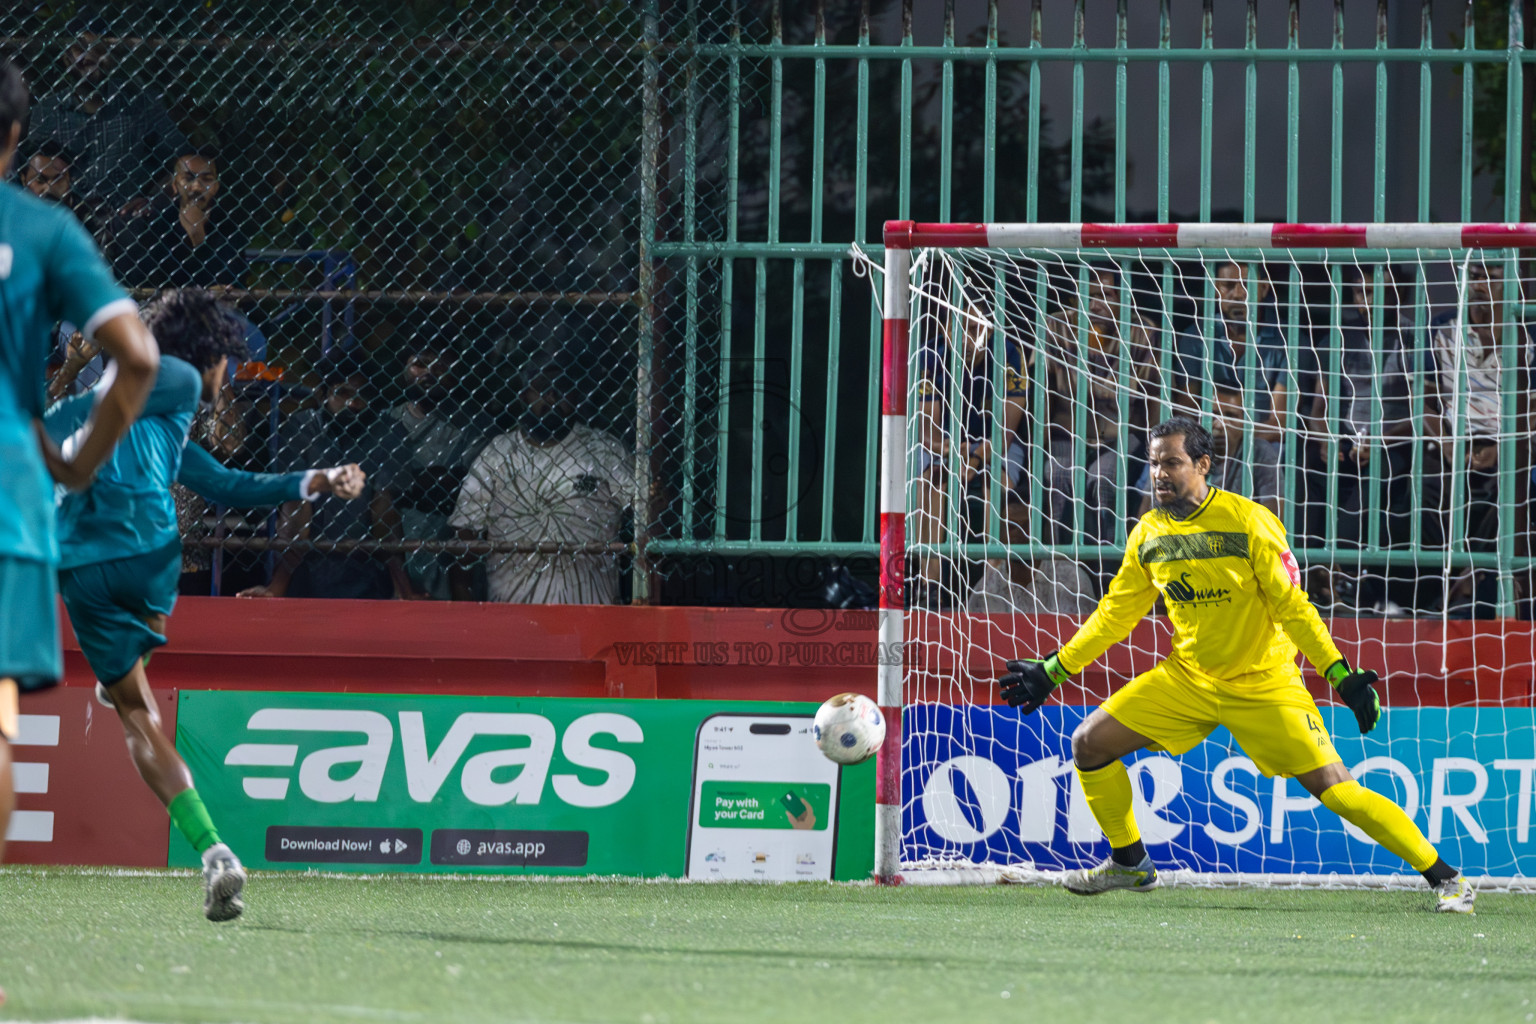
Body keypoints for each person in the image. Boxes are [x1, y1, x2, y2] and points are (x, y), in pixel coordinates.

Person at [996, 416, 1475, 913]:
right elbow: (1116, 615)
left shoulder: (1250, 521)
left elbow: (1294, 607)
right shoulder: (1149, 533)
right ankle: (1131, 862)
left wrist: (1339, 673)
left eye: (1173, 463)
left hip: (1264, 683)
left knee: (1339, 792)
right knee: (1089, 744)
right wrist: (1054, 669)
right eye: (1154, 463)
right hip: (1188, 679)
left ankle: (1447, 879)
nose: (1159, 473)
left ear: (1203, 465)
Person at [43, 289, 365, 921]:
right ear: (208, 353)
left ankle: (124, 671)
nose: (230, 376)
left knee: (136, 716)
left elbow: (226, 483)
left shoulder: (158, 420)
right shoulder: (175, 374)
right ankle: (214, 851)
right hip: (146, 557)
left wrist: (315, 479)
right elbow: (121, 390)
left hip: (81, 564)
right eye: (230, 362)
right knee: (141, 709)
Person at [0, 59, 158, 871]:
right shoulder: (44, 230)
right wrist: (77, 466)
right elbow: (136, 358)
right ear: (18, 137)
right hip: (11, 494)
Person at [450, 358, 631, 604]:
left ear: (576, 396)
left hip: (589, 606)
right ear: (525, 396)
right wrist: (464, 607)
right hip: (513, 610)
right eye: (542, 387)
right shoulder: (499, 453)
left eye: (562, 387)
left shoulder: (603, 449)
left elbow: (645, 509)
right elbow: (466, 529)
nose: (552, 396)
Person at [249, 351, 417, 600]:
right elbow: (296, 507)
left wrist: (402, 587)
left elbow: (384, 510)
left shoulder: (388, 432)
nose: (353, 403)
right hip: (307, 566)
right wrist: (278, 586)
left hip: (368, 567)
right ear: (323, 395)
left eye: (362, 395)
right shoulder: (302, 427)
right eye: (343, 393)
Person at [24, 10, 189, 219]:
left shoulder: (140, 103)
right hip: (66, 215)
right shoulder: (47, 111)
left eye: (100, 49)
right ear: (66, 58)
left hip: (128, 219)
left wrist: (153, 200)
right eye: (81, 49)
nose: (91, 56)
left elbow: (182, 159)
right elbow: (33, 172)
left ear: (113, 56)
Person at [114, 150, 248, 289]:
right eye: (188, 178)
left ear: (215, 186)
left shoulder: (228, 226)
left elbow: (233, 279)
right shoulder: (154, 223)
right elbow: (145, 279)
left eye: (206, 179)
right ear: (174, 184)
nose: (196, 186)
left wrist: (199, 236)